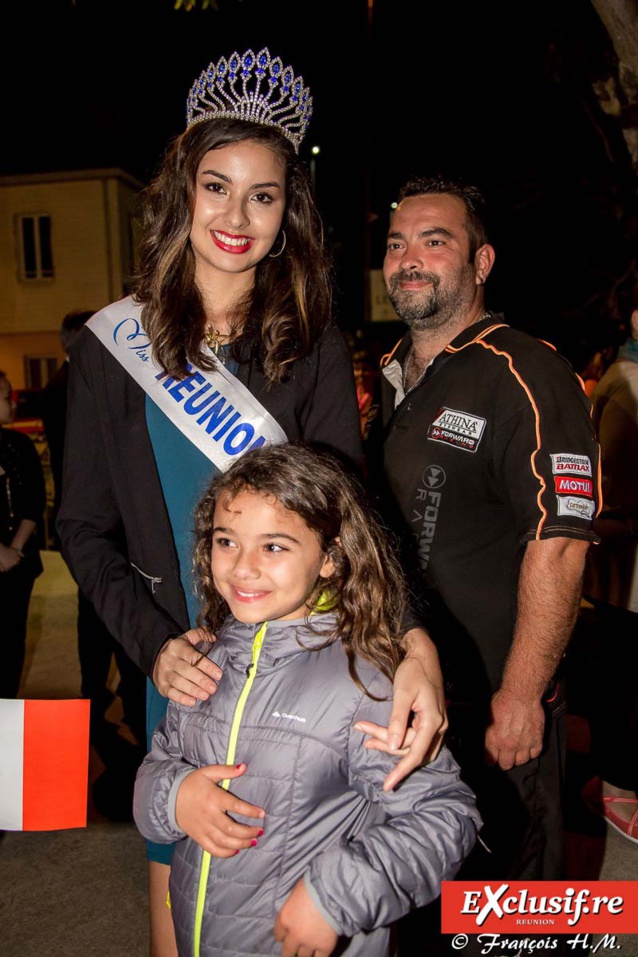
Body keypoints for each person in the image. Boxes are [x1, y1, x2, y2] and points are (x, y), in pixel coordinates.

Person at [57, 50, 445, 957]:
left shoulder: (310, 346)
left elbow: (352, 514)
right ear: (180, 195)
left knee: (302, 909)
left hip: (306, 671)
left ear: (287, 212)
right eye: (216, 187)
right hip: (187, 673)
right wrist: (155, 645)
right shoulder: (109, 349)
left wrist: (413, 638)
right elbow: (81, 524)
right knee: (184, 923)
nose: (236, 217)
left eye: (263, 195)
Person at [134, 443, 479, 957]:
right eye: (227, 541)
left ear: (330, 558)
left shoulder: (364, 684)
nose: (243, 568)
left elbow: (444, 815)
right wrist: (174, 796)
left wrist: (336, 896)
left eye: (274, 547)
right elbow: (154, 767)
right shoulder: (203, 659)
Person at [370, 175, 601, 880]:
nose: (409, 257)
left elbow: (560, 541)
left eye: (435, 241)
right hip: (412, 695)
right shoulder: (391, 374)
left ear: (481, 262)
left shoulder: (525, 370)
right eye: (396, 243)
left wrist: (524, 695)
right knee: (426, 894)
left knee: (506, 905)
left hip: (495, 703)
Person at [42, 310, 146, 818]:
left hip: (98, 523)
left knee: (96, 616)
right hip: (95, 521)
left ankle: (100, 695)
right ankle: (110, 699)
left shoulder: (68, 380)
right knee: (103, 612)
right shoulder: (71, 385)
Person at [582, 298, 638, 843]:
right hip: (626, 577)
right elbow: (625, 487)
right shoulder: (627, 382)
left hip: (626, 572)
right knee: (625, 682)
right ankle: (616, 789)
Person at [0, 372, 46, 698]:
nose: (12, 403)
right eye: (5, 397)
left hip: (19, 563)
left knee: (13, 643)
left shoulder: (19, 444)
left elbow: (35, 500)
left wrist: (14, 549)